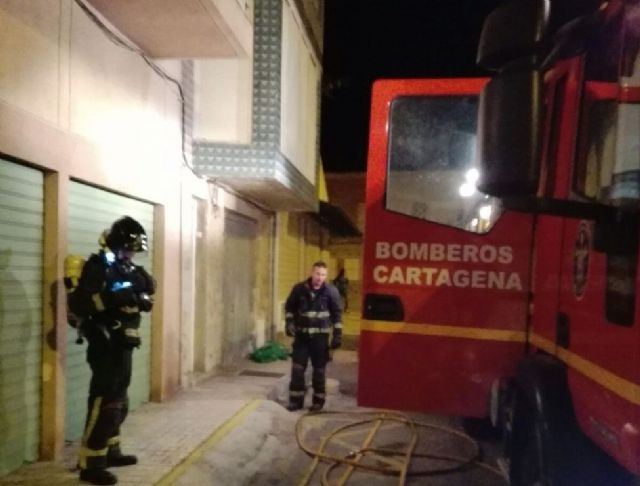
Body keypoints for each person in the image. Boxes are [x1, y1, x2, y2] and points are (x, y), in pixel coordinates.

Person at [68, 216, 156, 486]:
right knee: (104, 401)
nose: (131, 255)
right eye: (128, 249)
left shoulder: (126, 268)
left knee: (119, 400)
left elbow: (146, 288)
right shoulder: (98, 266)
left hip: (123, 342)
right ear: (116, 245)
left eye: (134, 251)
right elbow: (82, 303)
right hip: (104, 342)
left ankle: (111, 450)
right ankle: (90, 463)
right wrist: (112, 297)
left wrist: (141, 296)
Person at [285, 261, 342, 412]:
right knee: (297, 369)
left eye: (323, 275)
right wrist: (289, 322)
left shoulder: (331, 292)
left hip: (320, 338)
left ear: (326, 276)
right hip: (302, 337)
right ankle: (295, 401)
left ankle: (318, 401)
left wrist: (337, 334)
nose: (320, 277)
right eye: (317, 274)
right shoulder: (299, 289)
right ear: (312, 273)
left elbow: (337, 314)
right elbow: (289, 307)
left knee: (319, 371)